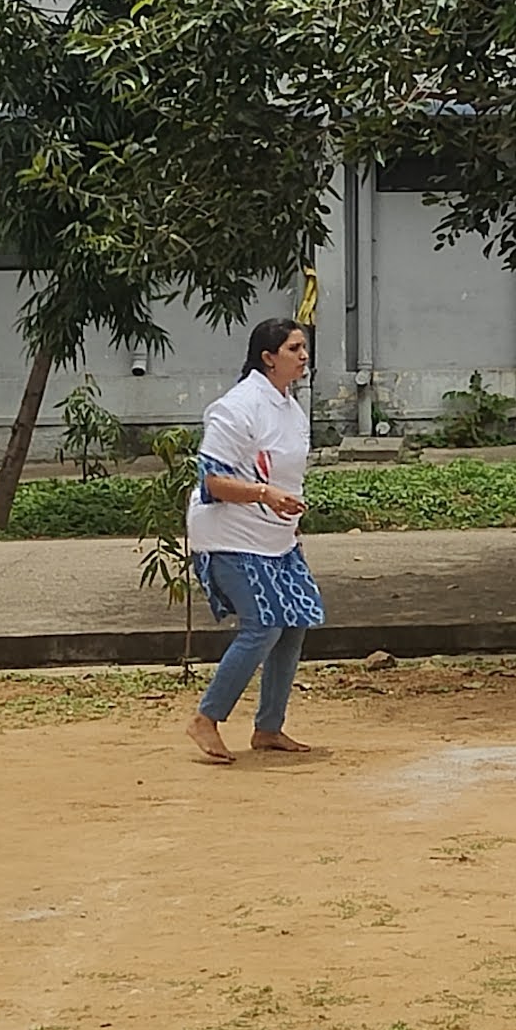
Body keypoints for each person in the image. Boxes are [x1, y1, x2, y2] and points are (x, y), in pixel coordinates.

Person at [186, 316, 329, 766]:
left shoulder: (291, 407)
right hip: (230, 534)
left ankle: (269, 727)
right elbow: (213, 482)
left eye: (304, 347)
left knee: (295, 618)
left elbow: (286, 473)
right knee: (263, 624)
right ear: (268, 358)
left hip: (276, 536)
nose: (303, 356)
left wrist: (289, 517)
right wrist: (265, 495)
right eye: (293, 349)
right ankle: (206, 718)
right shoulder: (236, 407)